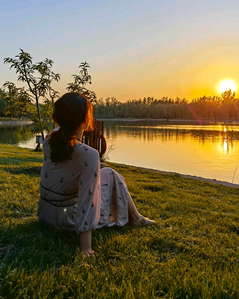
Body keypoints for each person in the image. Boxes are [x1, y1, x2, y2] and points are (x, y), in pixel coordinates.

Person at [37, 92, 154, 257]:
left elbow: (67, 168)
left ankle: (135, 217)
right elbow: (88, 201)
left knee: (109, 172)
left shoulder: (50, 138)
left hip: (46, 213)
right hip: (66, 219)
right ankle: (135, 218)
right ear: (85, 119)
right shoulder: (88, 154)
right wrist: (86, 247)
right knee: (112, 177)